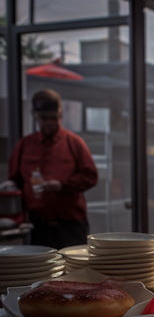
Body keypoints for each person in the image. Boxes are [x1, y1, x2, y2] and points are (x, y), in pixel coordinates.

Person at [3, 89, 98, 249]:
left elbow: (90, 176)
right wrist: (9, 187)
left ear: (60, 114)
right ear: (35, 115)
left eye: (52, 118)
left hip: (71, 226)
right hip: (38, 226)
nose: (48, 122)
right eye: (43, 118)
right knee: (39, 270)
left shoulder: (73, 142)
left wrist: (61, 185)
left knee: (75, 271)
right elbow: (15, 180)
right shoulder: (25, 145)